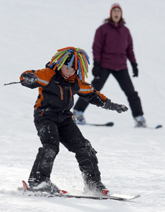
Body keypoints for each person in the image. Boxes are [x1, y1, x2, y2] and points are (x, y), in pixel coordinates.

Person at [20, 47, 128, 195]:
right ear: (60, 64)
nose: (70, 71)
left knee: (84, 147)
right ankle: (38, 181)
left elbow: (93, 94)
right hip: (45, 117)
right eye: (68, 67)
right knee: (51, 146)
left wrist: (111, 105)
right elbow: (31, 75)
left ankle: (93, 183)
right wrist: (27, 79)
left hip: (65, 119)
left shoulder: (76, 82)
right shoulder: (49, 75)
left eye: (74, 69)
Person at [73, 3, 146, 128]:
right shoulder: (102, 29)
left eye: (118, 11)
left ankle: (139, 118)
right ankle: (77, 112)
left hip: (121, 66)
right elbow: (97, 47)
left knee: (131, 92)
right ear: (111, 14)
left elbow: (129, 49)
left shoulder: (125, 31)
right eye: (114, 11)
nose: (116, 13)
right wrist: (96, 64)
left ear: (121, 14)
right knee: (93, 90)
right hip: (105, 65)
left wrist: (134, 64)